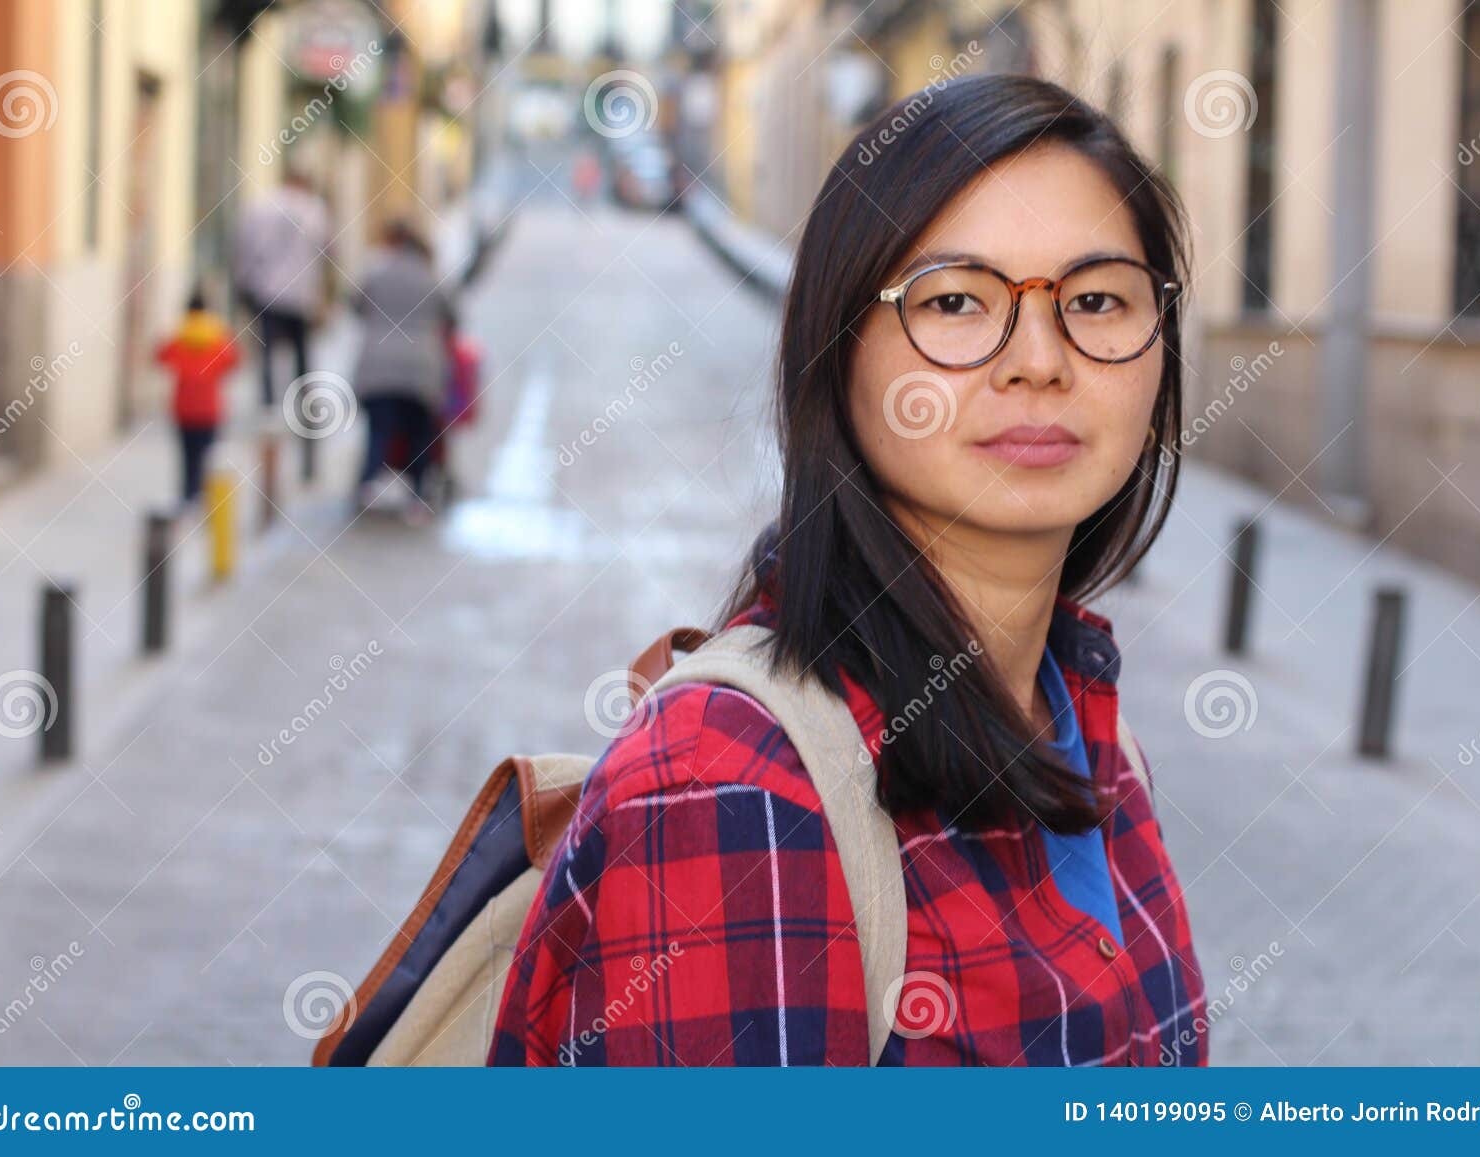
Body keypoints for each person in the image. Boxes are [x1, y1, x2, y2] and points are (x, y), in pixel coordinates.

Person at [491, 75, 1207, 1066]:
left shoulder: (1083, 715)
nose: (1039, 359)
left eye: (1096, 299)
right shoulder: (734, 786)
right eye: (956, 300)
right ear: (837, 350)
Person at [350, 217, 451, 524]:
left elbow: (356, 305)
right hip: (422, 369)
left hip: (379, 367)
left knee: (379, 430)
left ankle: (368, 486)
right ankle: (418, 497)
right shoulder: (432, 279)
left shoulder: (378, 274)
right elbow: (452, 315)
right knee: (421, 434)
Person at [232, 164, 331, 407]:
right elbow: (326, 255)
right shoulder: (315, 209)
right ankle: (305, 402)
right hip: (301, 294)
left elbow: (245, 247)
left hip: (267, 291)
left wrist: (244, 284)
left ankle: (268, 403)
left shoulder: (261, 206)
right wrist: (323, 297)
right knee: (301, 352)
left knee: (267, 351)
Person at [155, 289, 241, 513]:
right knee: (208, 456)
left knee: (187, 456)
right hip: (210, 409)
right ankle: (205, 500)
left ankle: (187, 497)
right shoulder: (217, 336)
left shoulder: (179, 335)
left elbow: (160, 356)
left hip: (183, 408)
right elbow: (233, 361)